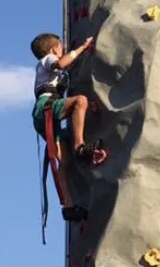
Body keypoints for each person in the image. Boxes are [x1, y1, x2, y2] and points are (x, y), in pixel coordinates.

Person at [30, 33, 107, 221]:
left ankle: (68, 206)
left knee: (64, 163)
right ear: (53, 49)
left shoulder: (47, 68)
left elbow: (65, 65)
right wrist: (81, 48)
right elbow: (62, 63)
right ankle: (79, 146)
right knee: (80, 101)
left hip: (43, 115)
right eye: (61, 48)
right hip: (47, 107)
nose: (63, 50)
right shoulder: (49, 60)